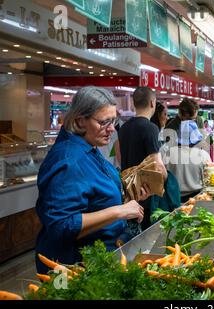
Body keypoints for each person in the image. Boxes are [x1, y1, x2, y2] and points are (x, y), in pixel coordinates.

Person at [35, 86, 150, 274]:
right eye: (104, 122)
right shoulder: (68, 160)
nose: (112, 129)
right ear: (80, 121)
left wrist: (129, 196)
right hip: (71, 268)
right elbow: (61, 226)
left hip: (102, 257)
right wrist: (119, 211)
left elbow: (95, 197)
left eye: (113, 121)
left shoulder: (90, 147)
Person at [118, 87, 167, 234]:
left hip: (129, 194)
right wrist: (165, 177)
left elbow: (120, 158)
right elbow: (156, 165)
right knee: (149, 236)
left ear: (134, 103)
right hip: (147, 195)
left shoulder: (124, 128)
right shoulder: (150, 128)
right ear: (152, 103)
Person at [163, 120, 211, 203]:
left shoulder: (168, 154)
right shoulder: (202, 155)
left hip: (172, 200)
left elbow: (163, 177)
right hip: (197, 200)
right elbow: (209, 181)